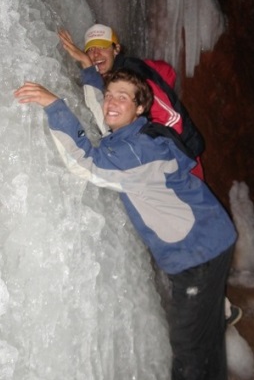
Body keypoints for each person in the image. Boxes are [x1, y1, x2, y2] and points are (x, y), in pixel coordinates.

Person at [14, 69, 238, 380]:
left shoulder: (137, 151)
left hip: (198, 253)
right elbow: (105, 122)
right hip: (212, 239)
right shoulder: (138, 135)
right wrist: (89, 70)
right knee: (206, 331)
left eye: (122, 97)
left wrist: (54, 105)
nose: (111, 102)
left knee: (188, 344)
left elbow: (87, 164)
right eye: (109, 95)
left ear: (140, 108)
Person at [58, 24, 242, 328]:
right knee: (178, 232)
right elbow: (103, 113)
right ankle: (216, 307)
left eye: (102, 47)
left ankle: (210, 312)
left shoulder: (135, 78)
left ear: (117, 50)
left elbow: (169, 116)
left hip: (171, 160)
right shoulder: (117, 83)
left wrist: (164, 151)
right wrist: (87, 67)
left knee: (186, 232)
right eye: (90, 48)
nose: (95, 53)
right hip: (152, 159)